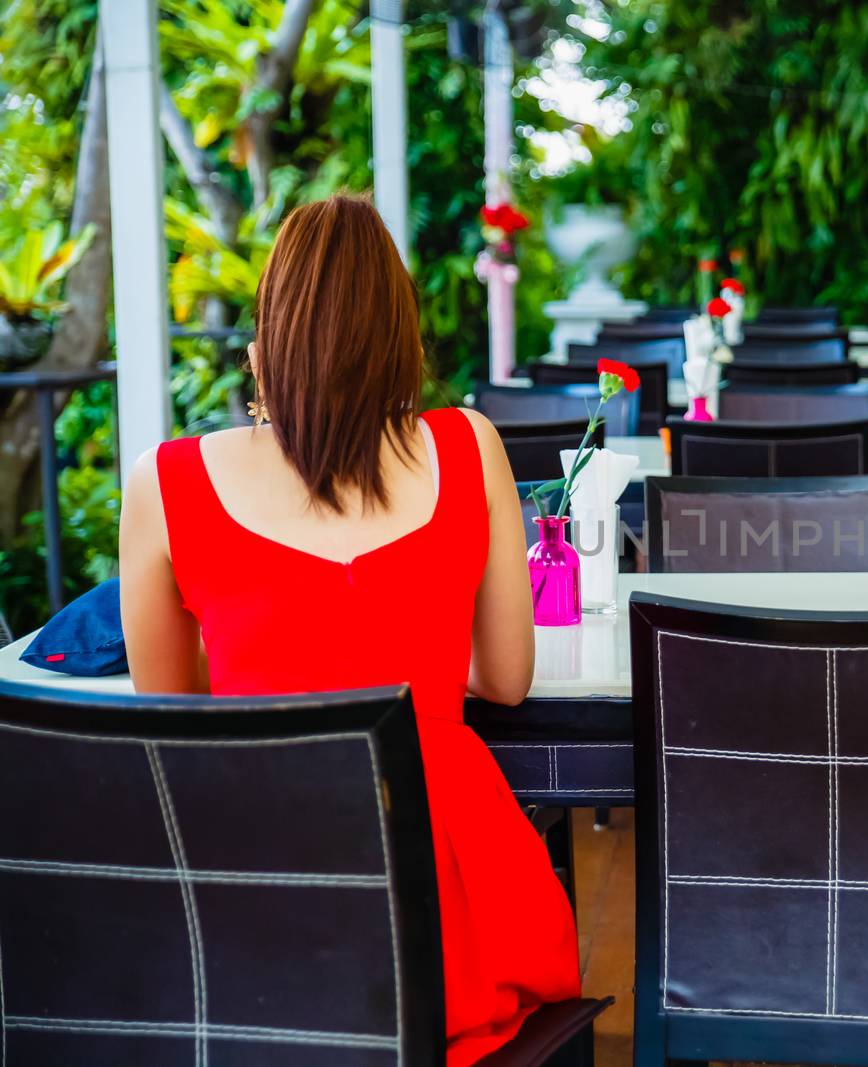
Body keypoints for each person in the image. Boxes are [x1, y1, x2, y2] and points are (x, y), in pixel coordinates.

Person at [119, 195, 580, 1064]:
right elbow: (508, 677)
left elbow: (171, 726)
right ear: (399, 332)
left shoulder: (165, 481)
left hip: (258, 920)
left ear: (267, 339)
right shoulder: (467, 443)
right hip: (443, 923)